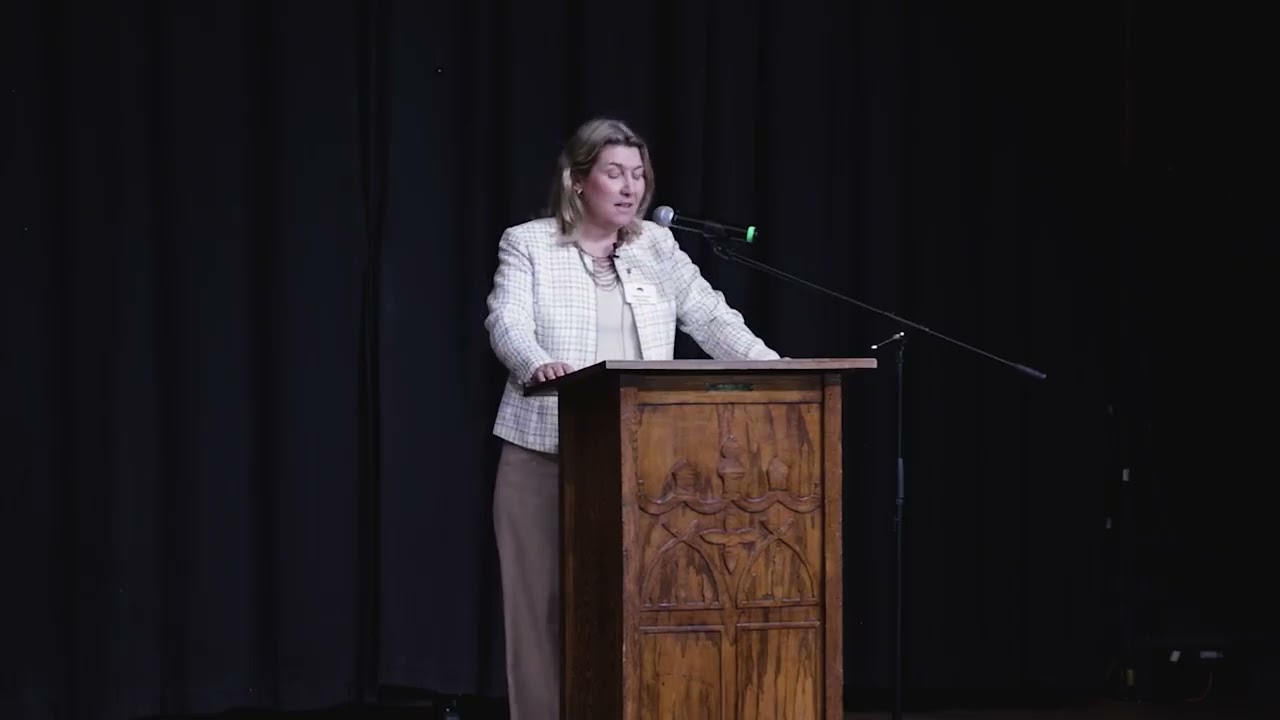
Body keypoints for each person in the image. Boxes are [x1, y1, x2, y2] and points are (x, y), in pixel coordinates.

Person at [483, 117, 779, 720]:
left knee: (636, 603)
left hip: (645, 465)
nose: (630, 187)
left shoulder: (655, 246)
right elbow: (505, 320)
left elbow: (710, 317)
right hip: (545, 454)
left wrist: (780, 371)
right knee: (539, 609)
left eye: (638, 174)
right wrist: (536, 363)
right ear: (577, 181)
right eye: (614, 172)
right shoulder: (529, 242)